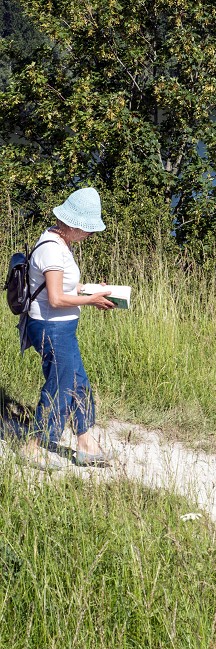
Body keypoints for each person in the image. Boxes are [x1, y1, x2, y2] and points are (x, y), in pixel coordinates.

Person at [20, 187, 115, 468]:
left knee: (78, 383)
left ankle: (85, 442)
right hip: (50, 327)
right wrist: (91, 300)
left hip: (62, 328)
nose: (90, 235)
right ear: (73, 225)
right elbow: (56, 298)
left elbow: (65, 286)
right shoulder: (51, 249)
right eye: (88, 229)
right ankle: (33, 445)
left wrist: (92, 289)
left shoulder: (61, 244)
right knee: (60, 385)